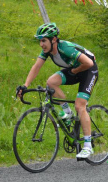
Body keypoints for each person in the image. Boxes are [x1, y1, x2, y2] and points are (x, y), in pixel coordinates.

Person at [17, 23, 98, 158]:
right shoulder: (47, 52)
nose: (41, 44)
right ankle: (68, 113)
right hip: (75, 70)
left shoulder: (65, 48)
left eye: (44, 40)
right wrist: (25, 85)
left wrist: (74, 71)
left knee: (80, 105)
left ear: (53, 39)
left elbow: (89, 63)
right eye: (40, 41)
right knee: (51, 82)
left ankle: (88, 146)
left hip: (88, 70)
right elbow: (36, 67)